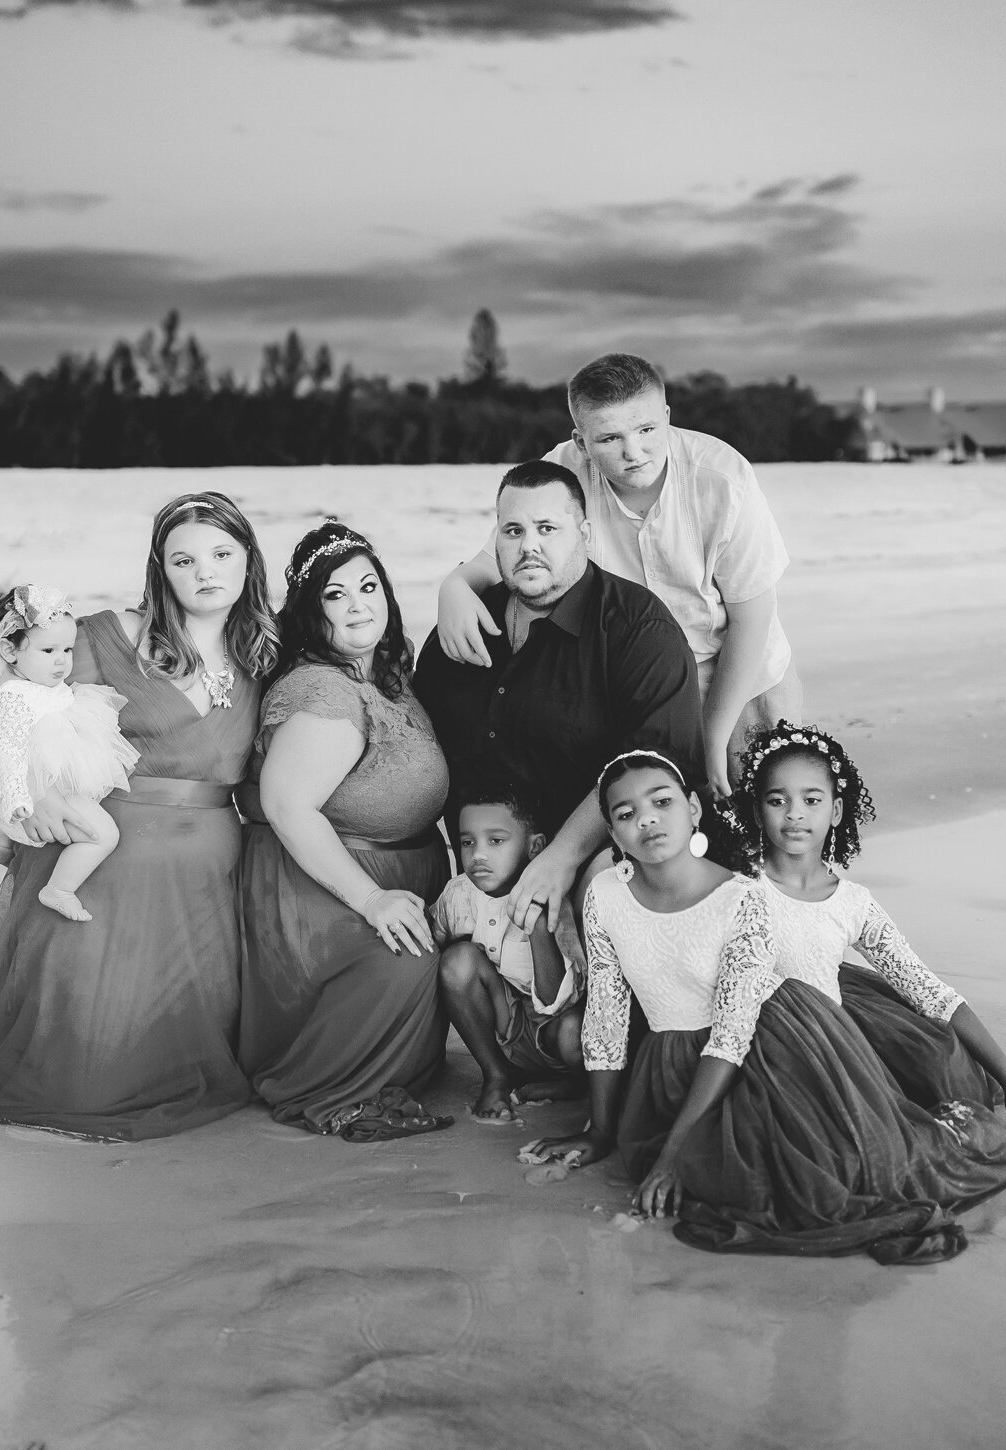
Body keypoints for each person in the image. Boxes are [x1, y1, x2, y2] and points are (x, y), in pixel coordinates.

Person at [0, 492, 278, 1140]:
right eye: (183, 560)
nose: (205, 572)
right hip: (103, 857)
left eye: (222, 554)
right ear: (159, 569)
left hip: (206, 876)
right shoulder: (108, 635)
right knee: (87, 1080)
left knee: (181, 1051)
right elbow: (12, 711)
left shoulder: (263, 655)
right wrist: (28, 793)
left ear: (248, 559)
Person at [521, 751, 1006, 1265]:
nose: (647, 819)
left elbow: (734, 1031)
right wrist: (599, 1130)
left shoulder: (746, 897)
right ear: (611, 831)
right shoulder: (608, 893)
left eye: (662, 803)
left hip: (769, 1045)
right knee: (698, 1171)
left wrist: (675, 1156)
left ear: (693, 809)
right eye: (627, 813)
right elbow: (607, 1015)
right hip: (676, 1057)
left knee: (811, 1180)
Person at [435, 353, 798, 797]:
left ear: (667, 416)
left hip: (737, 673)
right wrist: (454, 586)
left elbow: (752, 619)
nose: (634, 452)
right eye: (609, 438)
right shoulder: (562, 474)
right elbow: (501, 556)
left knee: (769, 815)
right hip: (634, 680)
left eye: (647, 430)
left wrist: (713, 736)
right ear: (581, 441)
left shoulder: (723, 478)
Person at [733, 722, 1006, 1149]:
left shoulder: (852, 903)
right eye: (777, 800)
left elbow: (930, 992)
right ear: (758, 810)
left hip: (828, 1040)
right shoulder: (736, 886)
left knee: (938, 1060)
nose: (794, 813)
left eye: (811, 800)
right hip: (755, 1040)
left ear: (836, 811)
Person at [415, 458, 706, 944]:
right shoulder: (463, 625)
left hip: (603, 868)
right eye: (513, 531)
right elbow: (415, 739)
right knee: (453, 970)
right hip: (480, 882)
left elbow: (656, 762)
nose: (528, 545)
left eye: (547, 528)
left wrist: (563, 857)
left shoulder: (636, 629)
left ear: (584, 533)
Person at [235, 522, 456, 1142]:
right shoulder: (323, 691)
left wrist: (463, 583)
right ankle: (321, 1081)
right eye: (335, 595)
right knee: (406, 963)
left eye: (368, 586)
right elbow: (286, 806)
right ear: (312, 612)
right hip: (323, 895)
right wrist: (372, 898)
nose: (358, 605)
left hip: (383, 876)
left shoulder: (383, 669)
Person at [0, 583, 139, 921]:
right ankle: (59, 890)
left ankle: (3, 844)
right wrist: (17, 796)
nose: (62, 661)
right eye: (48, 650)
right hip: (36, 782)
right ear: (10, 651)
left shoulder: (38, 684)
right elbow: (9, 752)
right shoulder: (15, 697)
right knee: (104, 836)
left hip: (54, 773)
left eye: (68, 649)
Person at [431, 780, 586, 1123]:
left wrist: (538, 925)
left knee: (573, 1032)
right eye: (467, 842)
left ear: (534, 847)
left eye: (496, 841)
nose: (478, 855)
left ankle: (576, 1083)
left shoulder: (554, 900)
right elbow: (434, 955)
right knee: (457, 960)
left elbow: (556, 1002)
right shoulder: (458, 894)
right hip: (507, 1032)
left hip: (556, 1033)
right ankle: (496, 1075)